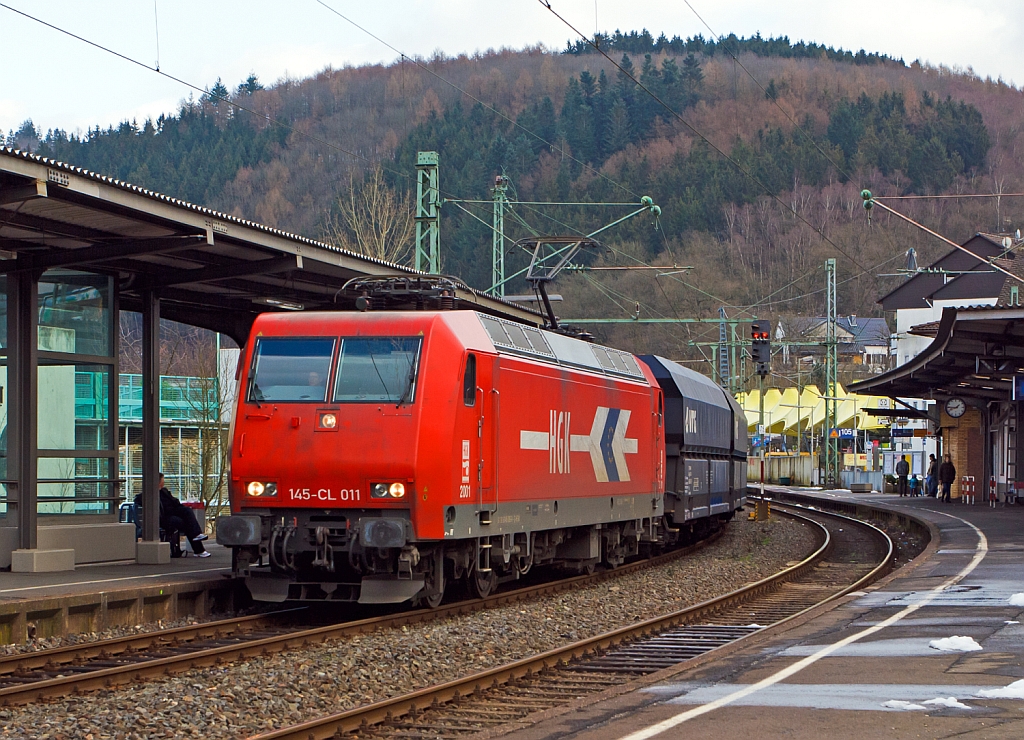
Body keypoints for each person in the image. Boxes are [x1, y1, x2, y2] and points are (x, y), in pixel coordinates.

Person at [135, 474, 210, 558]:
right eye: (162, 480)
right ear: (158, 482)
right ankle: (199, 549)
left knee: (187, 512)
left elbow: (174, 501)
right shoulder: (148, 494)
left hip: (173, 511)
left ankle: (197, 539)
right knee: (185, 523)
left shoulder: (164, 491)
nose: (163, 482)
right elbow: (138, 500)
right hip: (163, 518)